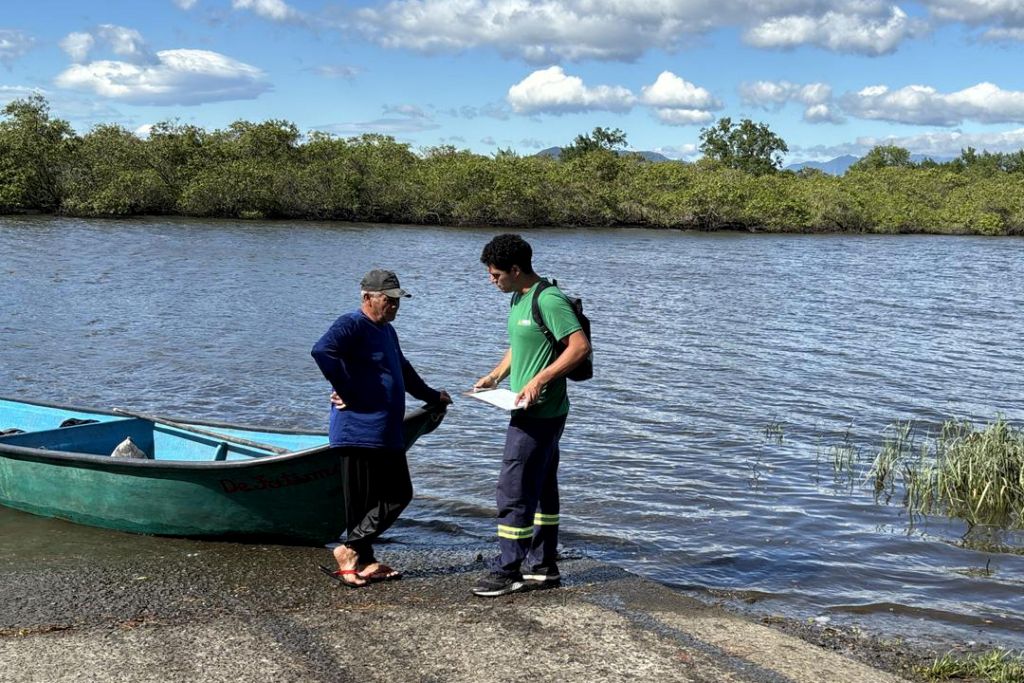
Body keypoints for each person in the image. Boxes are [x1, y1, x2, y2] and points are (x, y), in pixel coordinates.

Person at [311, 269, 452, 587]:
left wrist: (434, 396)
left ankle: (364, 560)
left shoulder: (387, 331)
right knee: (385, 497)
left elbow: (404, 371)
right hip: (358, 430)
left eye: (397, 300)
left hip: (385, 431)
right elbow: (322, 351)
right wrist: (347, 389)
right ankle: (351, 552)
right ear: (367, 297)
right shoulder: (351, 323)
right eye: (388, 300)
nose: (394, 306)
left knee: (388, 496)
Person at [471, 234, 591, 597]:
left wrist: (540, 379)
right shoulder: (518, 298)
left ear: (515, 269)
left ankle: (508, 570)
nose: (491, 280)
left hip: (540, 414)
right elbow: (520, 344)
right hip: (525, 408)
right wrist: (495, 376)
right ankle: (543, 567)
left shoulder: (548, 299)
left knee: (514, 488)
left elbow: (579, 347)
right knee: (541, 487)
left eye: (495, 274)